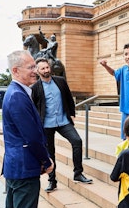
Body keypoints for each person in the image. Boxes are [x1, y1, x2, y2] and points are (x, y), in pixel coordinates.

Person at [0, 50, 56, 208]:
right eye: (30, 67)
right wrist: (46, 160)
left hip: (15, 165)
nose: (35, 70)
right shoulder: (18, 96)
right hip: (23, 167)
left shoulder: (18, 93)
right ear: (16, 71)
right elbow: (32, 137)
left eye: (35, 66)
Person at [31, 57, 93, 191]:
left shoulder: (60, 81)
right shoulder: (35, 88)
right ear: (37, 71)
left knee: (77, 141)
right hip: (46, 125)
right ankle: (52, 180)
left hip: (63, 121)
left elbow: (69, 98)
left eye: (47, 67)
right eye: (43, 68)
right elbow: (34, 108)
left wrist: (72, 114)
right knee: (50, 153)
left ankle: (78, 173)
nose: (46, 70)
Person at [99, 42, 129, 137]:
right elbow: (114, 73)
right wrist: (105, 66)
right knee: (125, 137)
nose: (128, 56)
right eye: (126, 54)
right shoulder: (123, 70)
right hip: (125, 110)